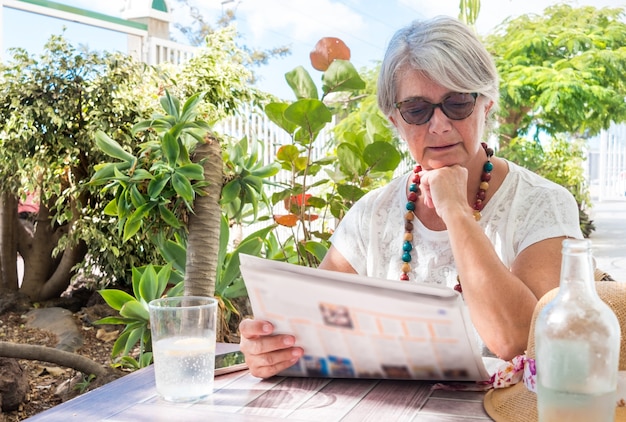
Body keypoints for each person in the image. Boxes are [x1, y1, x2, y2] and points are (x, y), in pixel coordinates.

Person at [239, 16, 583, 379]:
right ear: (394, 121)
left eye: (458, 102)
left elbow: (520, 343)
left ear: (487, 104)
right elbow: (310, 328)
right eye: (417, 110)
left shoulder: (543, 204)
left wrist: (456, 212)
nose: (439, 125)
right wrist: (269, 349)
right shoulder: (372, 214)